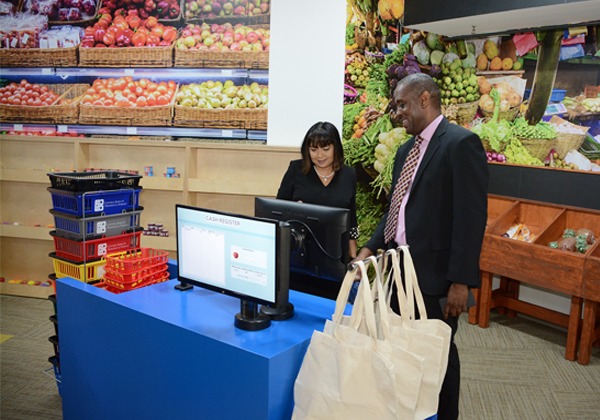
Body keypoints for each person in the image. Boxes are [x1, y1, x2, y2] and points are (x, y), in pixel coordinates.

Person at [354, 73, 489, 420]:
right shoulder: (404, 151)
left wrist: (461, 281)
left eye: (402, 104)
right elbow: (396, 209)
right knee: (402, 348)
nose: (397, 113)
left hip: (437, 279)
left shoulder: (461, 144)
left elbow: (470, 218)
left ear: (425, 98)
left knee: (439, 356)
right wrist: (370, 248)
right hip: (399, 273)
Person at [276, 121, 359, 298]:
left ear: (336, 147)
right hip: (299, 256)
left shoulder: (349, 174)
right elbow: (276, 211)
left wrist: (354, 259)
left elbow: (351, 218)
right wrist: (294, 212)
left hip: (335, 259)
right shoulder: (296, 170)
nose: (319, 155)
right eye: (313, 149)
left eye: (325, 149)